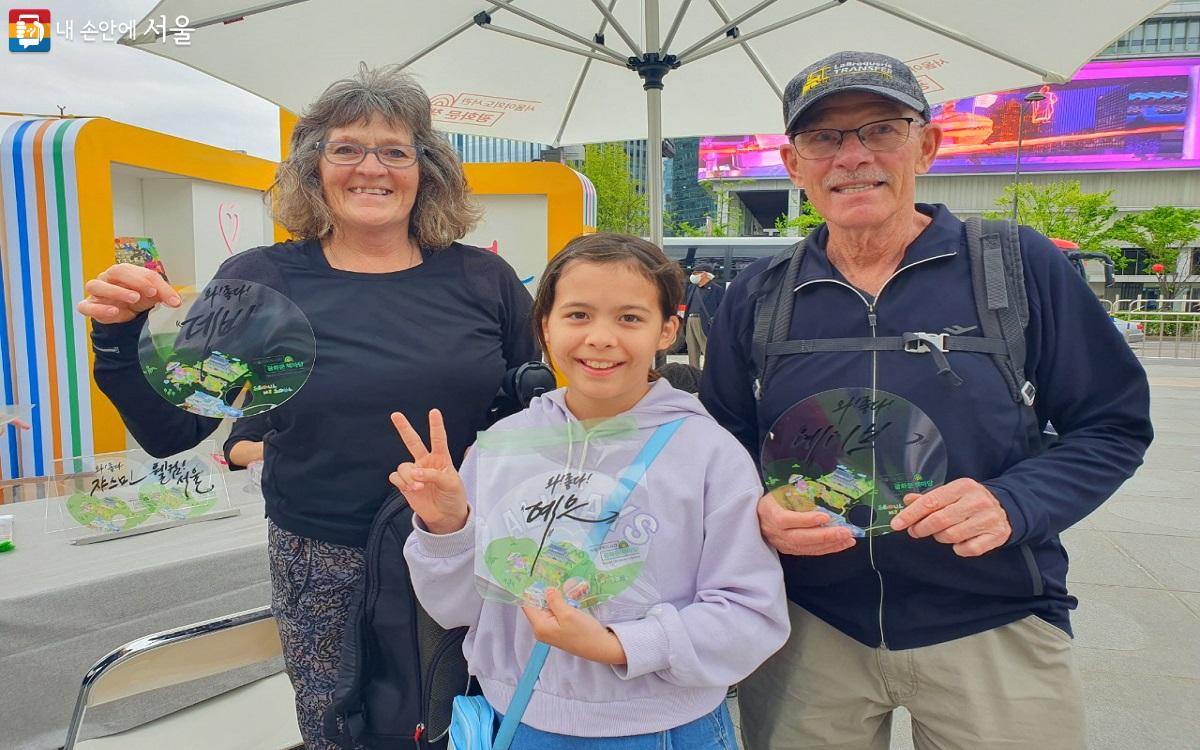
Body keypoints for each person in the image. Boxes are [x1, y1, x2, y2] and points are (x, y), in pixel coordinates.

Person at [700, 51, 1153, 749]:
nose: (852, 156)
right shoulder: (757, 296)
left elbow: (1112, 424)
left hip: (993, 623)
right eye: (824, 138)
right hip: (808, 628)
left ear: (927, 144)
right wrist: (751, 509)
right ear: (795, 166)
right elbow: (717, 439)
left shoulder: (1014, 265)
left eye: (880, 129)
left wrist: (1015, 502)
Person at [76, 65, 538, 749]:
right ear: (313, 167)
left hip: (465, 542)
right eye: (346, 148)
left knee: (467, 717)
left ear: (426, 168)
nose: (369, 168)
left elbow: (535, 409)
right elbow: (175, 430)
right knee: (338, 726)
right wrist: (117, 339)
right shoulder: (262, 282)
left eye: (394, 150)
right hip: (322, 560)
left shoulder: (482, 278)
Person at [397, 233, 789, 748]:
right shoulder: (504, 447)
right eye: (578, 315)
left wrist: (616, 645)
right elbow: (461, 608)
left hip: (663, 729)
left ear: (666, 329)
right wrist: (448, 527)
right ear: (545, 326)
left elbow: (750, 611)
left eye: (629, 317)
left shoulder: (708, 453)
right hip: (518, 720)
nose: (600, 338)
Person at [682, 263, 724, 368]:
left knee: (707, 350)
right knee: (692, 350)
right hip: (690, 320)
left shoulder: (716, 289)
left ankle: (710, 375)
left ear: (704, 274)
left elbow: (721, 309)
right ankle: (694, 374)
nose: (693, 275)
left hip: (705, 321)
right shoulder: (692, 288)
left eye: (696, 273)